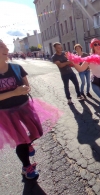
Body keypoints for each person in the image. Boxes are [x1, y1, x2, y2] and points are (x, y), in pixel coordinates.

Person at [0, 40, 60, 180]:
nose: (7, 48)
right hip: (6, 113)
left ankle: (28, 144)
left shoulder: (16, 67)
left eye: (5, 45)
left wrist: (26, 89)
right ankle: (26, 167)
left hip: (25, 106)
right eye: (2, 46)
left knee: (37, 131)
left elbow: (27, 85)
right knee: (20, 141)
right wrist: (14, 92)